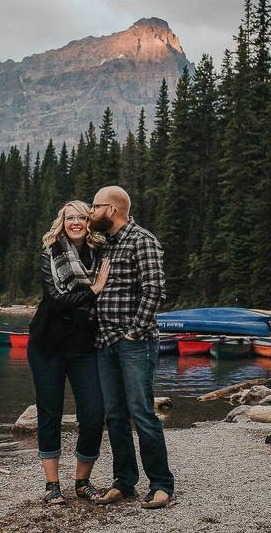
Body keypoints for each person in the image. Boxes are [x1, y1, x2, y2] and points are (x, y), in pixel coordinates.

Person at [88, 185, 175, 509]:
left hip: (134, 344)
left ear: (111, 210)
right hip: (105, 343)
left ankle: (162, 484)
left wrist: (134, 333)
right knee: (115, 416)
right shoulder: (105, 245)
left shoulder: (143, 240)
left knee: (141, 412)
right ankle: (124, 482)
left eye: (95, 206)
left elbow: (154, 291)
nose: (90, 212)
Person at [27, 200, 111, 505]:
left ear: (90, 222)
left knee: (93, 413)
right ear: (61, 222)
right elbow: (56, 300)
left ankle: (82, 482)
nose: (75, 222)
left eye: (81, 217)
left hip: (85, 346)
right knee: (49, 413)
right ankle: (52, 486)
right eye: (69, 217)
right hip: (46, 345)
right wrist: (93, 289)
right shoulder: (50, 255)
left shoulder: (102, 253)